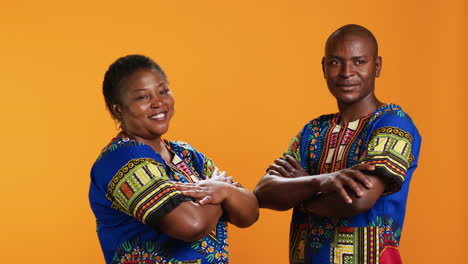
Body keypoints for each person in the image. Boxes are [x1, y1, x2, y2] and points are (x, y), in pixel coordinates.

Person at [254, 24, 421, 264]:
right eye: (335, 62)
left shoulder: (393, 122)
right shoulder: (313, 130)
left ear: (377, 66)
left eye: (359, 61)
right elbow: (263, 193)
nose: (346, 72)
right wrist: (323, 181)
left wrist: (299, 192)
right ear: (323, 67)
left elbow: (358, 200)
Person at [89, 54, 259, 264]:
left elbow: (249, 213)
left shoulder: (186, 153)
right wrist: (222, 195)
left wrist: (224, 191)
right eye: (143, 97)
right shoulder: (121, 160)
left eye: (163, 91)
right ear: (118, 109)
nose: (158, 102)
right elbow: (191, 225)